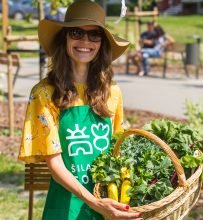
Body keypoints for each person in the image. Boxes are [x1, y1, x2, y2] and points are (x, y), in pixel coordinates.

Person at [18, 1, 143, 220]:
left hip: (110, 206)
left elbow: (118, 151)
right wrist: (94, 202)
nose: (85, 41)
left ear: (102, 43)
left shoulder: (112, 92)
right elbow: (55, 163)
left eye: (94, 35)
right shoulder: (44, 94)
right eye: (77, 33)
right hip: (67, 208)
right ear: (64, 38)